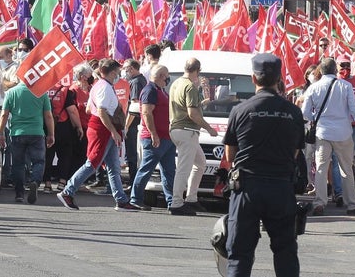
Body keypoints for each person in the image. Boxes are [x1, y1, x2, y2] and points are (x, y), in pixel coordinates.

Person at [223, 53, 304, 276]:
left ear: (253, 78)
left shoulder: (240, 110)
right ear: (279, 79)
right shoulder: (293, 112)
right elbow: (295, 152)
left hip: (247, 188)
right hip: (281, 187)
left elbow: (231, 155)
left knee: (239, 253)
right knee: (286, 251)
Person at [57, 59, 132, 212]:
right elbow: (101, 111)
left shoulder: (100, 86)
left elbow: (89, 110)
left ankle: (121, 200)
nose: (119, 75)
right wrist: (112, 130)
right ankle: (68, 191)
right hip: (102, 129)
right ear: (112, 72)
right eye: (117, 72)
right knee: (92, 162)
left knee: (113, 167)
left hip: (104, 128)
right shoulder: (104, 87)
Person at [301, 57, 355, 216]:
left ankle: (319, 203)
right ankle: (351, 205)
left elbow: (305, 114)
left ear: (320, 71)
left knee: (321, 169)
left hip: (322, 133)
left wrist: (315, 119)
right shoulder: (346, 86)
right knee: (346, 169)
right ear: (336, 70)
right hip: (343, 133)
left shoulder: (313, 88)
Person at [168, 57, 218, 216]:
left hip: (179, 129)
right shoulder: (190, 87)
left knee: (200, 163)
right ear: (198, 70)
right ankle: (176, 203)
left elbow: (187, 107)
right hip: (187, 130)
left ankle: (191, 198)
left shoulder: (176, 83)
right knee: (184, 168)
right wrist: (209, 129)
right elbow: (192, 114)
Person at [0, 73, 53, 204]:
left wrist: (0, 133)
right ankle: (35, 181)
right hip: (37, 132)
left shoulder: (11, 92)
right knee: (39, 161)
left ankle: (19, 194)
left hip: (17, 133)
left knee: (18, 164)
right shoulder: (42, 93)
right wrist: (51, 134)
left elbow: (4, 115)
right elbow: (48, 116)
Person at [129, 65, 176, 211]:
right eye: (166, 76)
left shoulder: (160, 90)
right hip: (155, 138)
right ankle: (135, 199)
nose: (168, 79)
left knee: (169, 171)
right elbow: (147, 113)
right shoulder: (150, 90)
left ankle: (172, 201)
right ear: (161, 76)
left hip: (166, 138)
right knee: (146, 169)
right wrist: (154, 134)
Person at [122, 59, 145, 185]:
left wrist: (126, 125)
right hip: (134, 123)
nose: (124, 71)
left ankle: (133, 182)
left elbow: (135, 105)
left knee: (132, 153)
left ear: (132, 68)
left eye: (126, 68)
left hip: (133, 123)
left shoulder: (136, 82)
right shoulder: (136, 80)